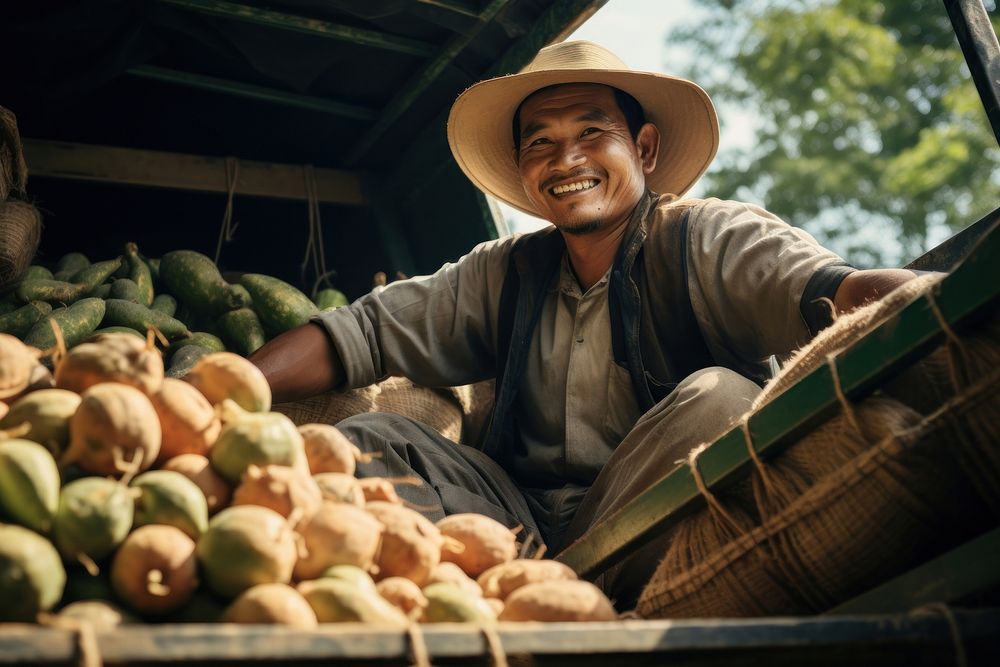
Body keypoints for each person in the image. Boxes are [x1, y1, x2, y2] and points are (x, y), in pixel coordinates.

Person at [250, 41, 917, 609]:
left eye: (591, 133)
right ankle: (537, 587)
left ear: (645, 148)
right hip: (519, 525)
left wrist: (949, 305)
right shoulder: (503, 272)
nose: (565, 159)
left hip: (657, 528)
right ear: (524, 170)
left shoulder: (705, 238)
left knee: (723, 399)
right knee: (373, 436)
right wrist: (227, 388)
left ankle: (556, 595)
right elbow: (360, 335)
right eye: (541, 141)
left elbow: (844, 291)